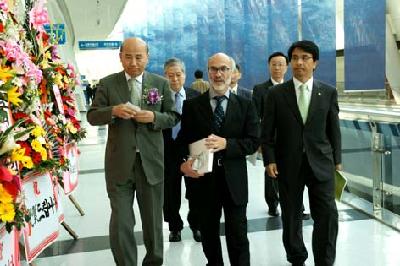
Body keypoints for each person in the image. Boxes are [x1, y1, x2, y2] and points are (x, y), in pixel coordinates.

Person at [87, 37, 178, 266]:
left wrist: (154, 117)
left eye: (139, 57)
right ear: (120, 57)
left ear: (147, 57)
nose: (134, 62)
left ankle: (153, 262)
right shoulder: (108, 84)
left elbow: (173, 116)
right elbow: (92, 115)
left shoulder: (160, 83)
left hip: (151, 162)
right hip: (120, 164)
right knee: (122, 222)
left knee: (153, 220)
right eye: (128, 56)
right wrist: (114, 111)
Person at [261, 40, 341, 266]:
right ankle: (297, 257)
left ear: (315, 62)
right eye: (294, 58)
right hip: (288, 164)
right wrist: (270, 159)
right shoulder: (276, 94)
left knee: (327, 215)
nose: (299, 63)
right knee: (291, 214)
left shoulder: (327, 92)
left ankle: (324, 260)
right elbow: (266, 133)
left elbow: (333, 130)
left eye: (305, 58)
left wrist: (338, 162)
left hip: (322, 163)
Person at [179, 53, 259, 266]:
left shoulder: (245, 105)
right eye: (214, 69)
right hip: (204, 182)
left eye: (224, 69)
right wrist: (184, 164)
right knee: (208, 235)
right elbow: (182, 141)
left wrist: (227, 144)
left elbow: (253, 141)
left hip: (235, 181)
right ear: (208, 72)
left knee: (239, 236)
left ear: (233, 73)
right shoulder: (192, 106)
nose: (218, 73)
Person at [162, 57, 201, 242]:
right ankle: (174, 227)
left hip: (192, 151)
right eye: (170, 75)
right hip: (167, 151)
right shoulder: (159, 98)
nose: (175, 79)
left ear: (184, 75)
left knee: (195, 190)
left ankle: (196, 225)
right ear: (165, 76)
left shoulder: (195, 96)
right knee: (170, 192)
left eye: (178, 75)